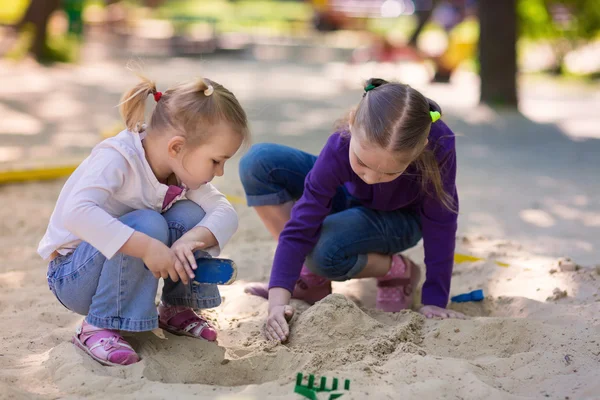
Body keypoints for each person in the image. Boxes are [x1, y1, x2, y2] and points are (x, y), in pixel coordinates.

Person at [39, 71, 249, 365]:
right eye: (216, 161)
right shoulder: (118, 158)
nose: (219, 172)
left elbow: (224, 212)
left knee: (192, 214)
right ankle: (98, 325)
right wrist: (148, 247)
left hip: (119, 272)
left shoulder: (180, 168)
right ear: (177, 147)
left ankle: (177, 308)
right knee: (150, 224)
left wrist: (189, 241)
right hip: (74, 276)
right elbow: (76, 213)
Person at [241, 78, 464, 342]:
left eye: (389, 172)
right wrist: (278, 301)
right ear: (352, 123)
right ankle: (307, 276)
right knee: (259, 162)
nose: (370, 177)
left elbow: (441, 222)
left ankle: (398, 270)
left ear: (420, 149)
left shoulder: (439, 145)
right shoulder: (341, 143)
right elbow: (302, 223)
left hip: (400, 218)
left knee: (324, 252)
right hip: (349, 196)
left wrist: (435, 299)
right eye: (362, 163)